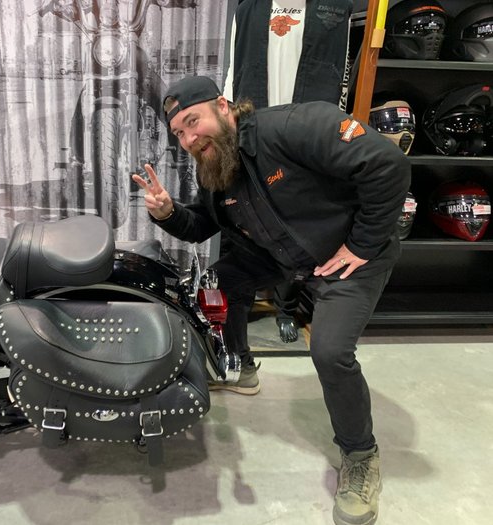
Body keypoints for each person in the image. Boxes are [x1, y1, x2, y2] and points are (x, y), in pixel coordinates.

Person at [132, 75, 409, 525]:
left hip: (348, 258)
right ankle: (242, 369)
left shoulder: (294, 127)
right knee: (220, 281)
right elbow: (202, 226)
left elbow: (388, 165)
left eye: (192, 121)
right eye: (179, 133)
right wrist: (167, 213)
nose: (188, 139)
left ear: (223, 106)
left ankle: (360, 455)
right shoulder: (215, 164)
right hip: (286, 258)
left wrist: (361, 245)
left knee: (330, 351)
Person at [223, 0, 354, 344]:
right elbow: (234, 71)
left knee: (298, 221)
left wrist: (334, 129)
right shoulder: (248, 9)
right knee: (251, 218)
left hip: (306, 133)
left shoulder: (335, 9)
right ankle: (243, 303)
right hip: (257, 126)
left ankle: (286, 308)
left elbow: (340, 76)